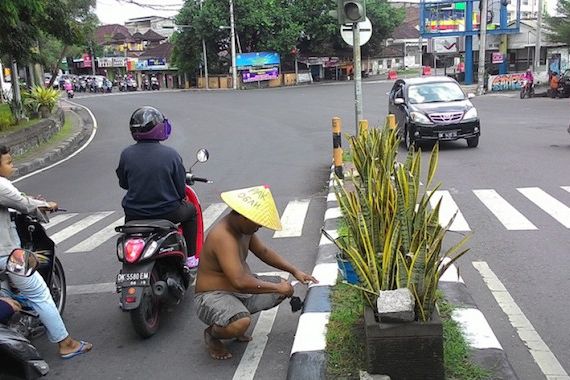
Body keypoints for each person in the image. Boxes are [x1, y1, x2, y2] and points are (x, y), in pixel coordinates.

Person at [194, 185, 318, 360]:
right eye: (257, 221)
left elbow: (264, 252)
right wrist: (276, 288)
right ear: (244, 217)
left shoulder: (243, 229)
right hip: (212, 297)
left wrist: (295, 270)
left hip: (241, 291)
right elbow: (239, 282)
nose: (260, 225)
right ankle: (213, 334)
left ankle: (234, 317)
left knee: (284, 287)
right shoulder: (223, 236)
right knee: (242, 322)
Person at [0, 145, 92, 359]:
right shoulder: (1, 184)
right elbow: (23, 203)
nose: (12, 166)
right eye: (8, 162)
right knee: (40, 293)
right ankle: (66, 343)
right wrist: (46, 204)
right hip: (5, 254)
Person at [116, 106, 198, 266]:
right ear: (158, 128)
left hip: (134, 214)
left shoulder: (126, 154)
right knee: (191, 212)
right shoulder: (171, 155)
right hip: (168, 213)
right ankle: (191, 259)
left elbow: (124, 183)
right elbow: (181, 191)